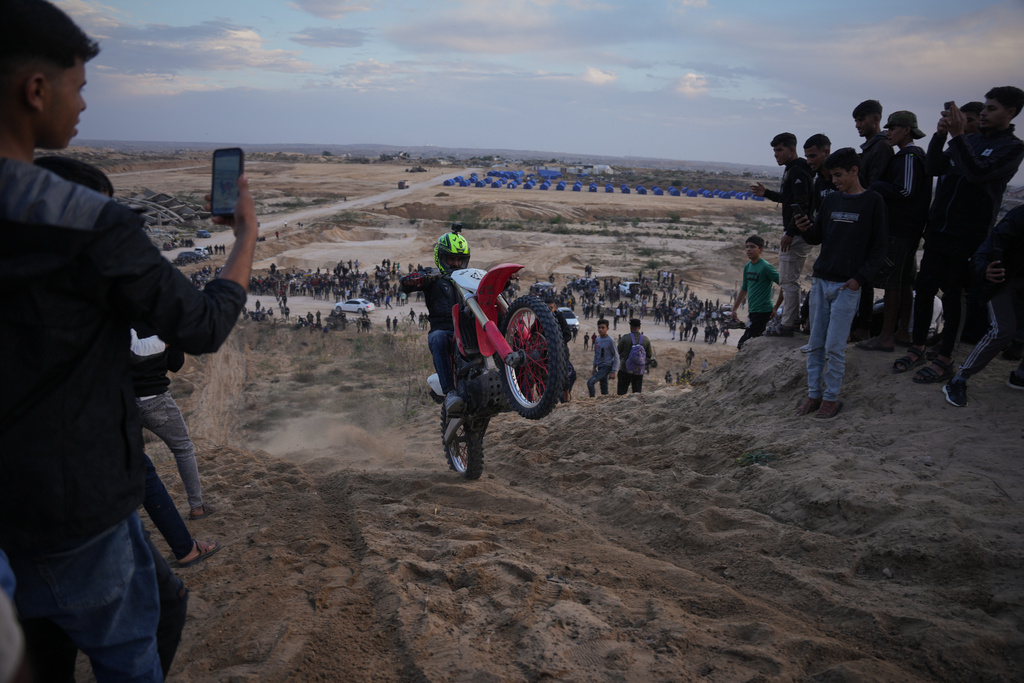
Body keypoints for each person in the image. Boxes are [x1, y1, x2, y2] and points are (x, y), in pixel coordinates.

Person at [0, 1, 257, 678]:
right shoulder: (89, 225)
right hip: (77, 511)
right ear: (35, 90)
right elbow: (201, 326)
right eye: (79, 85)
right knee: (133, 649)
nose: (83, 103)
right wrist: (245, 238)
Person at [896, 87, 1024, 382]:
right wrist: (940, 136)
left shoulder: (1013, 148)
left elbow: (978, 173)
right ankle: (917, 346)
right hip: (939, 229)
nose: (984, 113)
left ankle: (945, 359)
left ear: (1010, 113)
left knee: (954, 295)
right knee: (925, 288)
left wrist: (957, 137)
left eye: (991, 109)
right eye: (984, 108)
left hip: (969, 234)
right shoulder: (969, 140)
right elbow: (933, 166)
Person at [793, 148, 888, 418]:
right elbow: (817, 237)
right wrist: (804, 227)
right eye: (831, 176)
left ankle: (831, 399)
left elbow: (880, 248)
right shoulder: (832, 200)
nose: (834, 181)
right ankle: (814, 395)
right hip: (822, 280)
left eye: (838, 175)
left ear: (854, 171)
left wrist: (859, 279)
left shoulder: (873, 202)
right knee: (815, 344)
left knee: (835, 346)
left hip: (847, 286)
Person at [855, 111, 932, 352]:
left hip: (900, 229)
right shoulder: (912, 156)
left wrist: (877, 185)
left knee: (892, 283)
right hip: (909, 229)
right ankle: (902, 333)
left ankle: (886, 336)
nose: (888, 132)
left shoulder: (909, 155)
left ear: (906, 130)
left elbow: (906, 190)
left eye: (893, 128)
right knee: (905, 281)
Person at [942, 205, 1024, 406]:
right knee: (1002, 330)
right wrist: (984, 269)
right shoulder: (1018, 217)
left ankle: (1020, 375)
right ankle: (959, 378)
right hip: (1002, 280)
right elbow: (984, 252)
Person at [400, 223, 470, 414]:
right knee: (437, 338)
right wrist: (415, 280)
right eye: (451, 259)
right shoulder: (432, 276)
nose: (456, 263)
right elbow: (405, 284)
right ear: (442, 258)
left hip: (470, 329)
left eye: (459, 259)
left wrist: (504, 281)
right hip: (446, 330)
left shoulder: (468, 277)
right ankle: (449, 393)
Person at [750, 132, 814, 336]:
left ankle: (788, 324)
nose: (776, 154)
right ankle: (791, 321)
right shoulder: (793, 169)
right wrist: (766, 193)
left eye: (779, 150)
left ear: (792, 149)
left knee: (788, 280)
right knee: (790, 279)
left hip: (796, 233)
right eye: (774, 150)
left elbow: (801, 203)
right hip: (797, 232)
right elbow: (788, 199)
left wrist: (791, 231)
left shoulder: (797, 171)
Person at [850, 99, 896, 342]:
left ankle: (864, 327)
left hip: (870, 219)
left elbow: (872, 188)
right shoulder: (872, 147)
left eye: (861, 120)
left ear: (876, 119)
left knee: (866, 278)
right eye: (856, 120)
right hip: (865, 218)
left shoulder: (881, 148)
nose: (857, 125)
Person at [733, 235, 780, 349]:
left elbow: (785, 284)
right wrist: (734, 309)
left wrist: (776, 307)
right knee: (754, 341)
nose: (749, 249)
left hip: (763, 311)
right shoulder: (748, 266)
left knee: (743, 344)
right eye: (747, 247)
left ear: (761, 249)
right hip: (753, 311)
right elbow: (744, 288)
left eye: (752, 247)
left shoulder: (766, 267)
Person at [616, 318, 655, 394]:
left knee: (621, 393)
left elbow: (617, 352)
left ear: (630, 327)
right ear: (639, 327)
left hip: (625, 369)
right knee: (637, 393)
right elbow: (649, 355)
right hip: (639, 370)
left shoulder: (625, 338)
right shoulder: (646, 339)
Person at [587, 319, 618, 397]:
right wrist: (594, 367)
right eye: (599, 327)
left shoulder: (610, 341)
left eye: (603, 327)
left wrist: (613, 371)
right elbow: (596, 354)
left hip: (606, 366)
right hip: (600, 366)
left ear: (607, 329)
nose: (600, 329)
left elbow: (616, 356)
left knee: (590, 383)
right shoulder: (597, 339)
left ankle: (592, 401)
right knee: (604, 389)